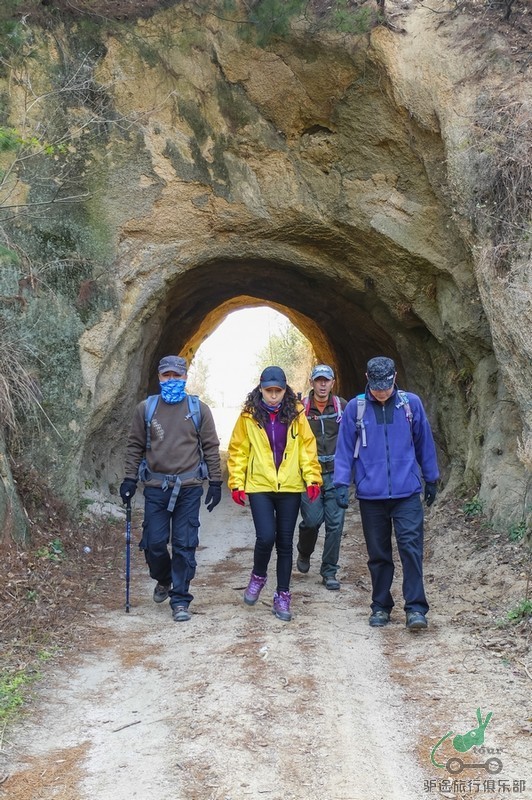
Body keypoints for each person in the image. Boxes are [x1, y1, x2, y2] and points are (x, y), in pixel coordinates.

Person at [333, 356, 439, 631]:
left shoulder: (410, 405)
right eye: (377, 386)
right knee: (378, 554)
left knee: (411, 550)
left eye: (386, 386)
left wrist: (431, 478)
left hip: (407, 493)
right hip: (371, 496)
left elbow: (424, 442)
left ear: (394, 379)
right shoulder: (355, 408)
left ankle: (416, 608)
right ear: (368, 379)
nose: (382, 392)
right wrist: (341, 483)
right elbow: (344, 449)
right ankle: (380, 606)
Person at [119, 355, 222, 623]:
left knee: (184, 544)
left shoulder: (199, 409)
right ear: (159, 377)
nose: (172, 380)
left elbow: (211, 447)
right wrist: (129, 479)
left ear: (185, 377)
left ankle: (180, 599)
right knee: (154, 543)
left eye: (177, 375)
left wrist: (215, 482)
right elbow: (134, 445)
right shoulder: (146, 409)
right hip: (156, 487)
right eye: (167, 375)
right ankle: (163, 578)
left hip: (189, 487)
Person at [227, 366, 322, 622]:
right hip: (260, 485)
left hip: (290, 486)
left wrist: (312, 478)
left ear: (284, 390)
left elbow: (307, 448)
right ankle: (258, 576)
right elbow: (238, 450)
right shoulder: (248, 416)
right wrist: (237, 483)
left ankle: (283, 595)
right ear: (260, 389)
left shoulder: (297, 413)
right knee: (266, 536)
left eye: (277, 391)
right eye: (268, 390)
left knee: (285, 543)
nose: (272, 395)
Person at [296, 364, 348, 590]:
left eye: (327, 380)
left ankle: (329, 571)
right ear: (312, 383)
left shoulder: (342, 406)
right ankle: (304, 550)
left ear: (333, 382)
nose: (323, 384)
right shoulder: (300, 409)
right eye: (319, 380)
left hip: (337, 474)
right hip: (310, 475)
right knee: (312, 521)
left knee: (335, 525)